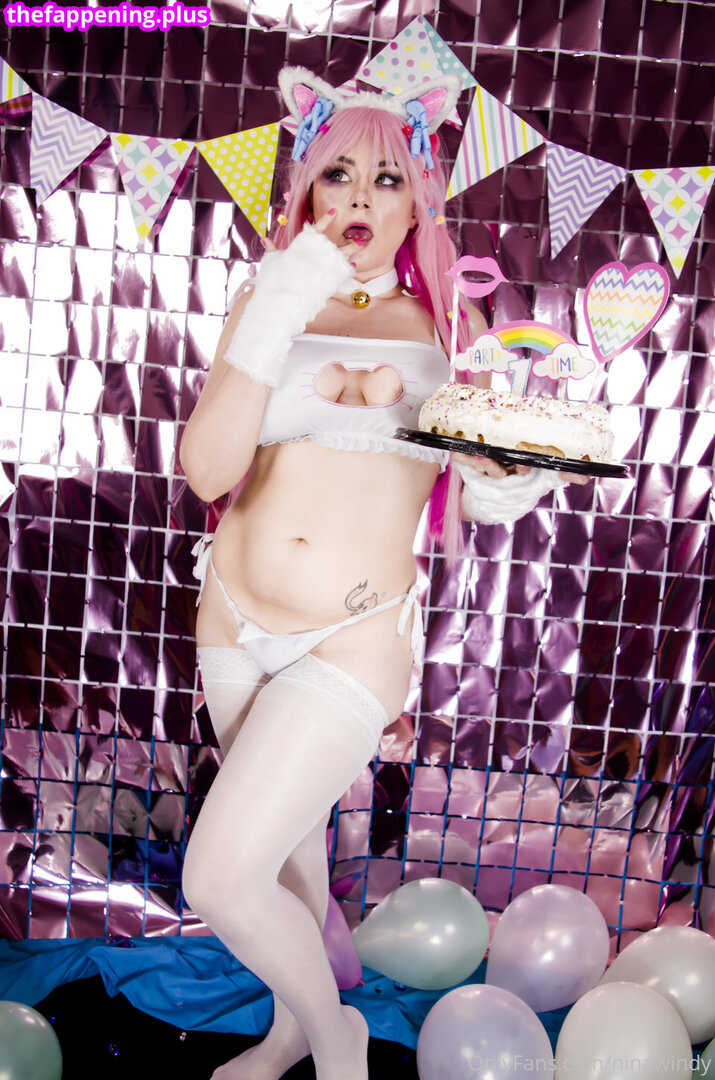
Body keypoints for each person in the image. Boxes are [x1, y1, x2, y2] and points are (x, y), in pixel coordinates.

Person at [179, 66, 577, 1080]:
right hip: (233, 620)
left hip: (353, 637)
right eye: (338, 173)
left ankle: (337, 1045)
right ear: (307, 189)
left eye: (386, 178)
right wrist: (283, 299)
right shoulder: (262, 301)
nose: (359, 196)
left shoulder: (450, 330)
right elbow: (208, 472)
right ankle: (289, 1032)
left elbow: (481, 487)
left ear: (418, 200)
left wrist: (505, 480)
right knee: (285, 858)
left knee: (218, 878)